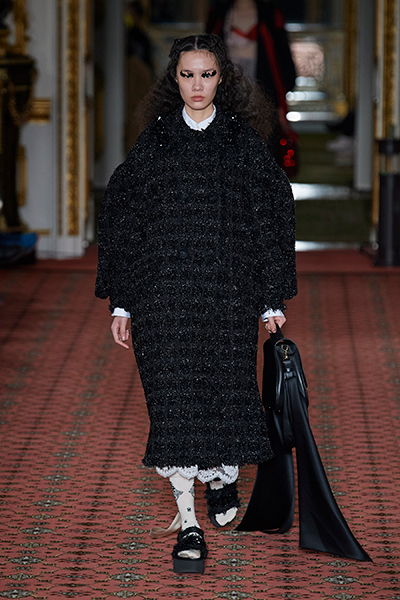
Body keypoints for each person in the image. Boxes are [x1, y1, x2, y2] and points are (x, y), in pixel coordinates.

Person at [95, 33, 297, 574]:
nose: (197, 85)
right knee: (173, 403)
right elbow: (125, 219)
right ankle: (188, 523)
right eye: (187, 75)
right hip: (163, 297)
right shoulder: (157, 141)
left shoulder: (240, 141)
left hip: (227, 295)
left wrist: (269, 298)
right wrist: (123, 304)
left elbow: (270, 216)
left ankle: (222, 476)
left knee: (226, 391)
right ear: (174, 80)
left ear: (222, 78)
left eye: (207, 74)